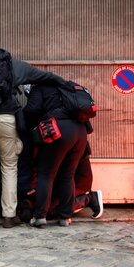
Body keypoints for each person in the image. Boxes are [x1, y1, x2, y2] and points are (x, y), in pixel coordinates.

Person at [0, 48, 64, 231]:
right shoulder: (14, 65)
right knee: (9, 167)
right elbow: (44, 77)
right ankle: (9, 216)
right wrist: (65, 84)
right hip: (8, 119)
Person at [23, 83, 88, 228]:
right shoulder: (67, 87)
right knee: (68, 175)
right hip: (80, 131)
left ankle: (40, 216)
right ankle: (65, 217)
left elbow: (32, 109)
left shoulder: (39, 87)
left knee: (46, 175)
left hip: (58, 129)